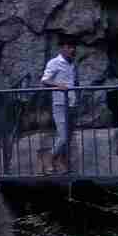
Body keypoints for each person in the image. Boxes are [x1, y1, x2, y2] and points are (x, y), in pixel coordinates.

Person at [41, 33, 79, 172]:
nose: (72, 50)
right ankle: (48, 159)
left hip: (72, 103)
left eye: (74, 47)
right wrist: (58, 86)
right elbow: (44, 80)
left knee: (68, 136)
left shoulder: (72, 64)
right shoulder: (54, 62)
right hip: (60, 104)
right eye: (69, 47)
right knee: (63, 136)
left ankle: (62, 163)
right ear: (62, 48)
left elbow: (74, 82)